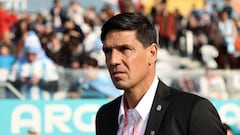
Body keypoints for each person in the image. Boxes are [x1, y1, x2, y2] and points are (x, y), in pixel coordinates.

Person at [95, 13, 226, 135]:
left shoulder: (192, 112)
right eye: (108, 51)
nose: (113, 60)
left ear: (152, 53)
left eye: (125, 49)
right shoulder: (105, 116)